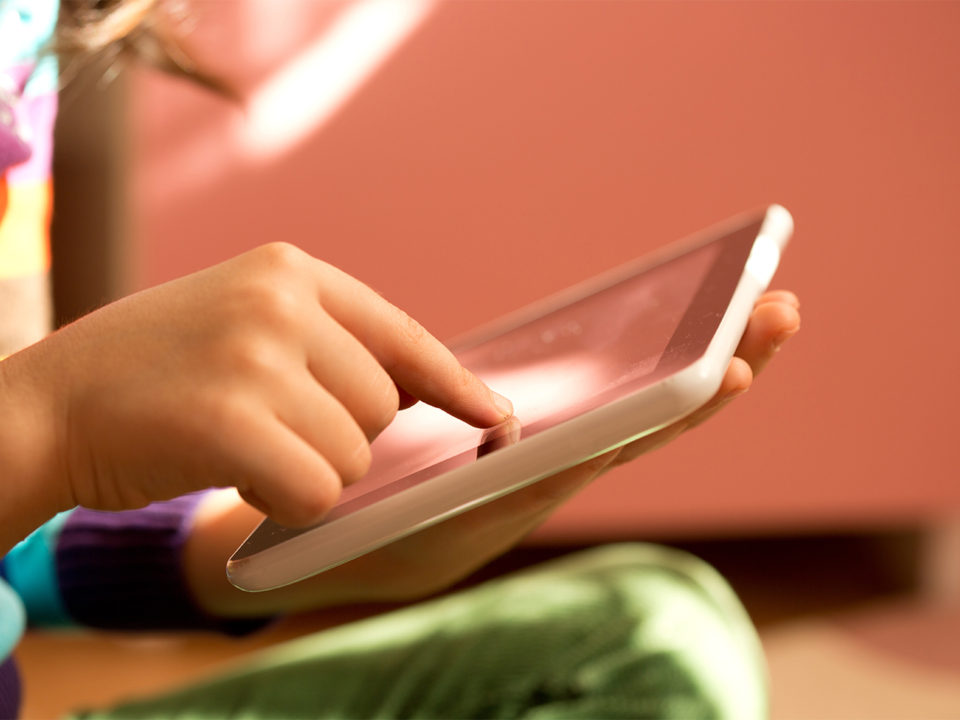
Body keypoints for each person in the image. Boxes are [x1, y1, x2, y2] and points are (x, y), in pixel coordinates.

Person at [0, 1, 801, 717]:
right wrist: (54, 426)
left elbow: (18, 550)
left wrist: (314, 546)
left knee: (656, 634)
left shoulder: (24, 32)